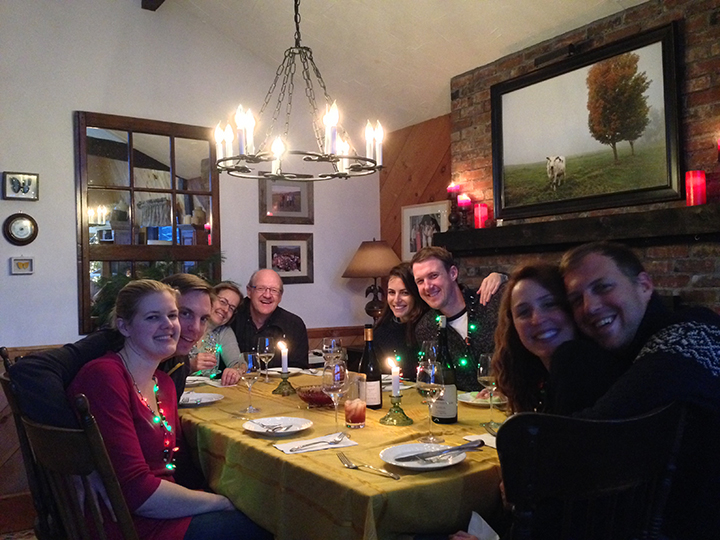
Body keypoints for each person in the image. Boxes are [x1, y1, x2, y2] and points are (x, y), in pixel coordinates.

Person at [67, 279, 271, 540]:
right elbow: (137, 492)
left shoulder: (163, 383)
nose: (169, 325)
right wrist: (220, 502)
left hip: (164, 508)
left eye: (172, 315)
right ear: (124, 326)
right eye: (153, 317)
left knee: (263, 512)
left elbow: (176, 465)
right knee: (267, 528)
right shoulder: (105, 376)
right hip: (130, 524)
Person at [559, 241, 720, 540]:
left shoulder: (687, 336)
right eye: (576, 299)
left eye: (603, 287)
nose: (590, 306)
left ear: (644, 285)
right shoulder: (631, 355)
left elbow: (591, 431)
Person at [9, 273, 214, 428]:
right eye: (185, 313)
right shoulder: (109, 345)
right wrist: (83, 439)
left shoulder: (178, 365)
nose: (195, 328)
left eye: (203, 319)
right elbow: (31, 369)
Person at [492, 263, 629, 415]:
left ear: (572, 308)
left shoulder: (581, 362)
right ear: (513, 327)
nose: (537, 319)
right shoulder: (536, 378)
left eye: (550, 304)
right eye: (524, 312)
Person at [412, 246, 505, 391]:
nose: (427, 286)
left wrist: (504, 277)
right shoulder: (426, 328)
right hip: (462, 408)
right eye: (420, 281)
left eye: (433, 276)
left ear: (453, 273)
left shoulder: (490, 303)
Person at [231, 269, 309, 368]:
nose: (267, 295)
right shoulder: (233, 317)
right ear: (249, 291)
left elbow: (300, 369)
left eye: (274, 290)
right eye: (261, 288)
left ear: (280, 297)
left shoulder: (294, 325)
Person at [373, 262, 429, 379]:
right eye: (391, 293)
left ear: (416, 295)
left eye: (404, 293)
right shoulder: (381, 331)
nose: (396, 300)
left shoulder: (427, 327)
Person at [189, 281, 246, 386]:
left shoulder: (223, 332)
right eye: (223, 302)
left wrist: (235, 371)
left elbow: (239, 363)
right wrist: (190, 366)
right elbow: (163, 367)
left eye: (231, 308)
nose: (225, 310)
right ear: (210, 299)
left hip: (208, 394)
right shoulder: (185, 324)